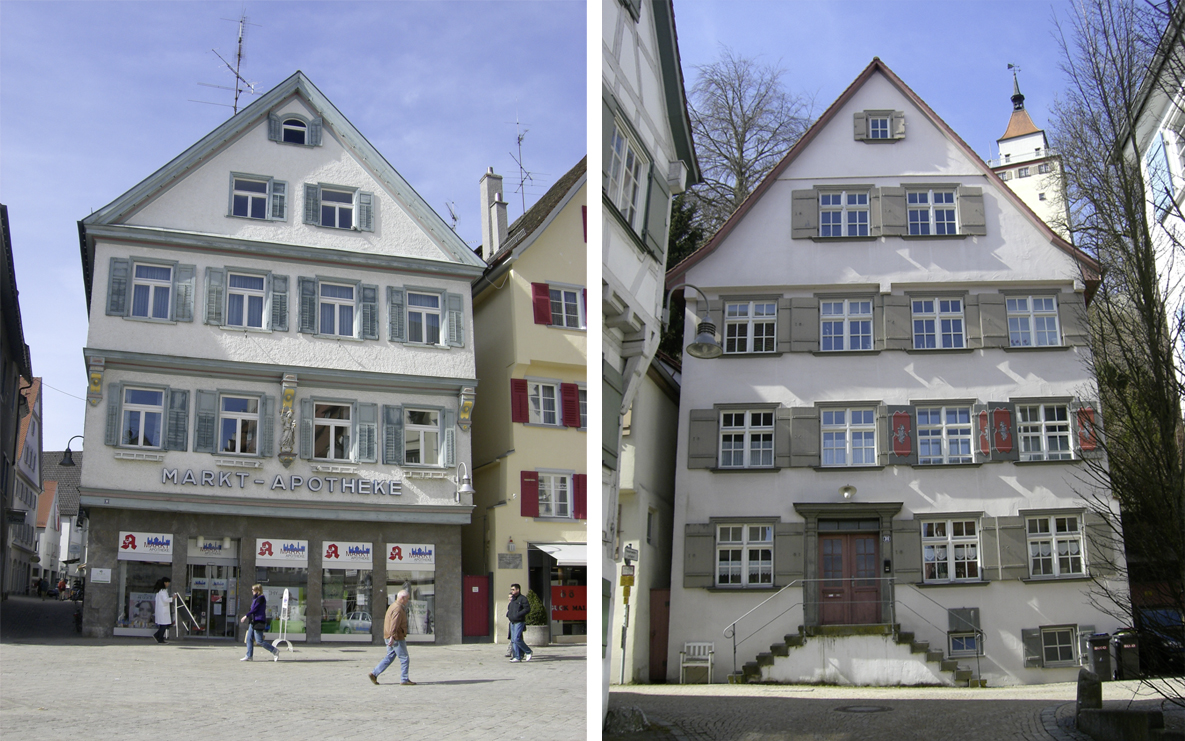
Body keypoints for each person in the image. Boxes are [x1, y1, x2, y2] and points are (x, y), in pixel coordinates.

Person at [368, 589, 414, 685]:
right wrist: (392, 636)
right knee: (404, 658)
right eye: (407, 599)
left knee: (390, 656)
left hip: (389, 636)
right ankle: (404, 679)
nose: (407, 601)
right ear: (402, 598)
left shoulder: (393, 606)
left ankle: (374, 673)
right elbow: (394, 623)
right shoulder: (398, 609)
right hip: (396, 637)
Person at [239, 584, 280, 662]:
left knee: (259, 641)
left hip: (258, 621)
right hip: (253, 622)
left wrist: (245, 616)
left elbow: (255, 609)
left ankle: (274, 651)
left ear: (258, 591)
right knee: (248, 638)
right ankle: (249, 655)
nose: (252, 591)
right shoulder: (255, 598)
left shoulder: (261, 598)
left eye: (253, 590)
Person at [506, 583, 532, 663]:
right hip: (512, 621)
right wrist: (509, 615)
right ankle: (517, 656)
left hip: (519, 621)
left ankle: (528, 651)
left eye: (513, 589)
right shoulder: (513, 599)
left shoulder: (522, 599)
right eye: (511, 589)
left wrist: (518, 614)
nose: (512, 591)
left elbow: (527, 609)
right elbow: (510, 608)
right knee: (513, 640)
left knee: (517, 639)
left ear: (518, 590)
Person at [152, 577, 172, 644]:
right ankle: (158, 637)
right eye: (167, 582)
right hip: (163, 611)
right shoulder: (163, 591)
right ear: (165, 583)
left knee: (163, 625)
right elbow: (165, 600)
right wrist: (172, 598)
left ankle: (159, 637)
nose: (168, 584)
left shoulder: (159, 591)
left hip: (161, 610)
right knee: (164, 625)